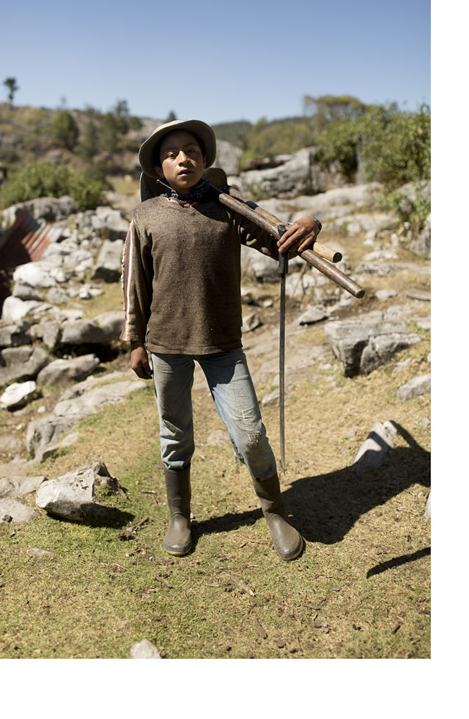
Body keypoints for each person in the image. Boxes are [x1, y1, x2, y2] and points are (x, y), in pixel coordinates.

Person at [120, 119, 321, 561]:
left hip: (223, 343)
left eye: (190, 151)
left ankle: (276, 511)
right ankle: (179, 516)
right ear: (158, 167)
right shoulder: (145, 216)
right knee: (174, 434)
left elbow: (280, 240)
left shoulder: (227, 207)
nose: (182, 159)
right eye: (171, 154)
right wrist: (134, 339)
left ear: (206, 159)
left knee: (249, 432)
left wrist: (309, 223)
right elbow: (135, 284)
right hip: (166, 341)